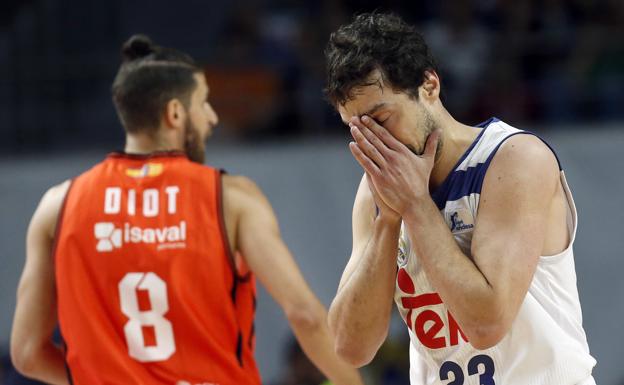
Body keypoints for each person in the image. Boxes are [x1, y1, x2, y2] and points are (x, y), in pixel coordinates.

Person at [10, 35, 363, 385]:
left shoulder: (58, 204)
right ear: (175, 113)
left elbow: (27, 354)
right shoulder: (230, 198)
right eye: (204, 102)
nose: (211, 117)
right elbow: (305, 316)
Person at [324, 13, 596, 385]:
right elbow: (350, 348)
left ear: (429, 86)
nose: (377, 144)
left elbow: (486, 323)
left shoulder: (514, 158)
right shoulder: (376, 192)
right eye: (358, 130)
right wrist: (387, 222)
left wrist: (415, 206)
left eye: (381, 119)